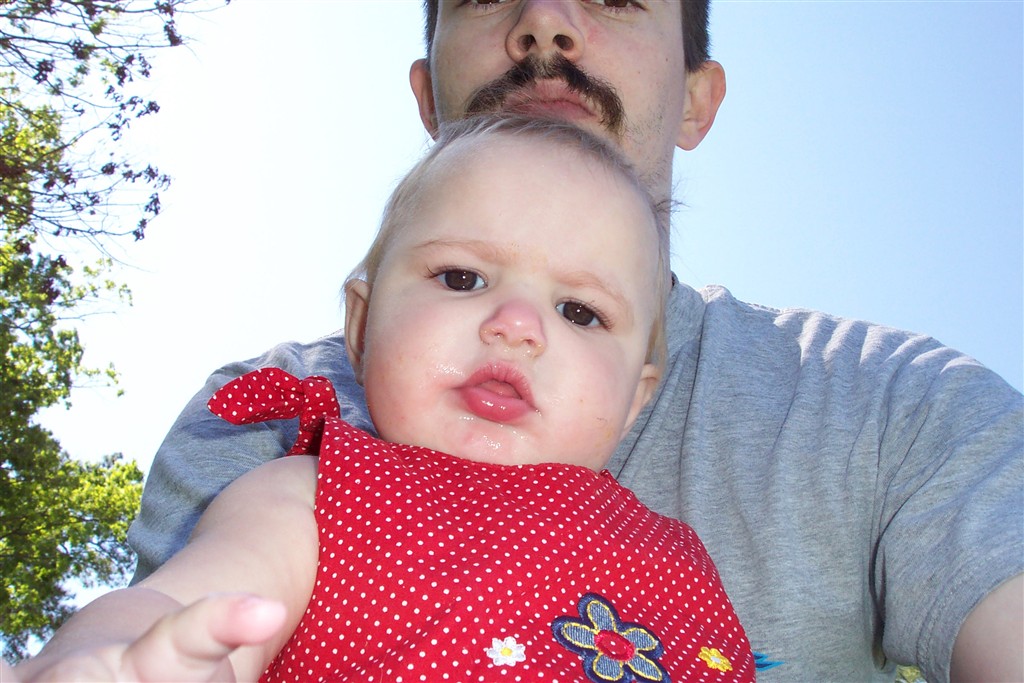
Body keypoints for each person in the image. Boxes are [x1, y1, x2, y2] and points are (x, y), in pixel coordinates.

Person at [125, 2, 1023, 682]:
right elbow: (165, 631)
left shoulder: (895, 403)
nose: (545, 20)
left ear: (697, 99)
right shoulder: (273, 428)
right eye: (461, 277)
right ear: (427, 95)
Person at [8, 115, 757, 682]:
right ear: (362, 327)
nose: (517, 326)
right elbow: (179, 606)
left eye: (580, 312)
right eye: (462, 278)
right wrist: (115, 656)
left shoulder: (682, 557)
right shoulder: (313, 496)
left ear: (635, 399)